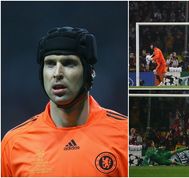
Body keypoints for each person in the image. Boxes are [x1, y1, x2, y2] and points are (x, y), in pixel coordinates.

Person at [1, 27, 128, 176]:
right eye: (50, 64)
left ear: (89, 73)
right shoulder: (14, 143)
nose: (57, 73)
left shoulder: (123, 134)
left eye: (68, 63)